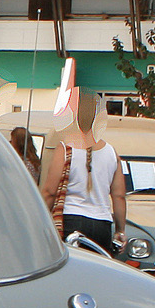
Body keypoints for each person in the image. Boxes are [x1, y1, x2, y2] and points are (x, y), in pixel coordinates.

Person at [39, 90, 126, 254]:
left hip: (71, 222)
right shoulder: (111, 152)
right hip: (102, 226)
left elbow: (49, 192)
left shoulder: (65, 148)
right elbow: (119, 196)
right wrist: (120, 231)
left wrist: (39, 221)